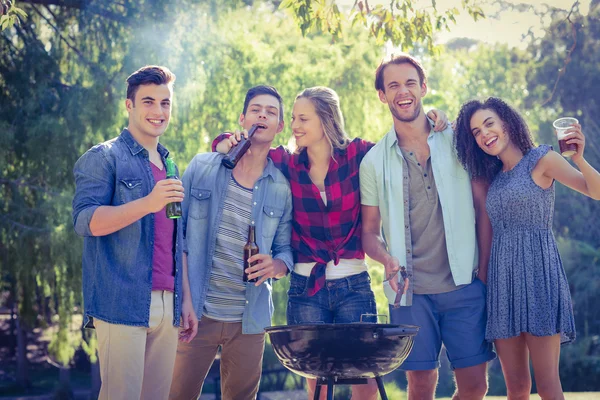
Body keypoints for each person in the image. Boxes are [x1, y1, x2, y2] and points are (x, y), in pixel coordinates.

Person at [214, 86, 448, 400]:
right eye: (294, 118)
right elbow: (244, 145)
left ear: (325, 120)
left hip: (353, 284)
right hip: (305, 288)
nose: (295, 125)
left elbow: (400, 143)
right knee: (316, 379)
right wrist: (223, 140)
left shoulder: (359, 155)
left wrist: (433, 118)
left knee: (364, 379)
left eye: (303, 119)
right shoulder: (287, 162)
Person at [359, 53, 496, 400]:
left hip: (465, 284)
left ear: (423, 87)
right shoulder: (373, 161)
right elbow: (369, 232)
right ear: (382, 95)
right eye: (393, 85)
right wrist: (387, 260)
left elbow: (483, 207)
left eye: (409, 83)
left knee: (475, 386)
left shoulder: (458, 141)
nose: (402, 92)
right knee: (420, 386)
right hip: (409, 292)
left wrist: (483, 272)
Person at [454, 97, 600, 400]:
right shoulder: (492, 177)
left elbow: (595, 192)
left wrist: (580, 160)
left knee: (547, 386)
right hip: (502, 284)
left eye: (489, 123)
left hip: (539, 277)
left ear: (506, 123)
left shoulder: (541, 159)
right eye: (476, 131)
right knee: (517, 388)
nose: (484, 134)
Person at [72, 65, 197, 400]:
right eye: (148, 102)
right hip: (121, 301)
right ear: (129, 105)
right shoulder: (104, 157)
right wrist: (148, 202)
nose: (158, 111)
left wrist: (185, 299)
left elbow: (176, 238)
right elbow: (86, 221)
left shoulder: (170, 164)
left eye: (165, 103)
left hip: (168, 305)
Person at [168, 85, 293, 400]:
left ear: (280, 127)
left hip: (249, 320)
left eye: (271, 111)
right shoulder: (202, 166)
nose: (262, 114)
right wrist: (182, 300)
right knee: (176, 395)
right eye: (256, 109)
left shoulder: (281, 187)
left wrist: (276, 265)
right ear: (243, 119)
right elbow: (175, 236)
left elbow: (285, 250)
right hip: (196, 311)